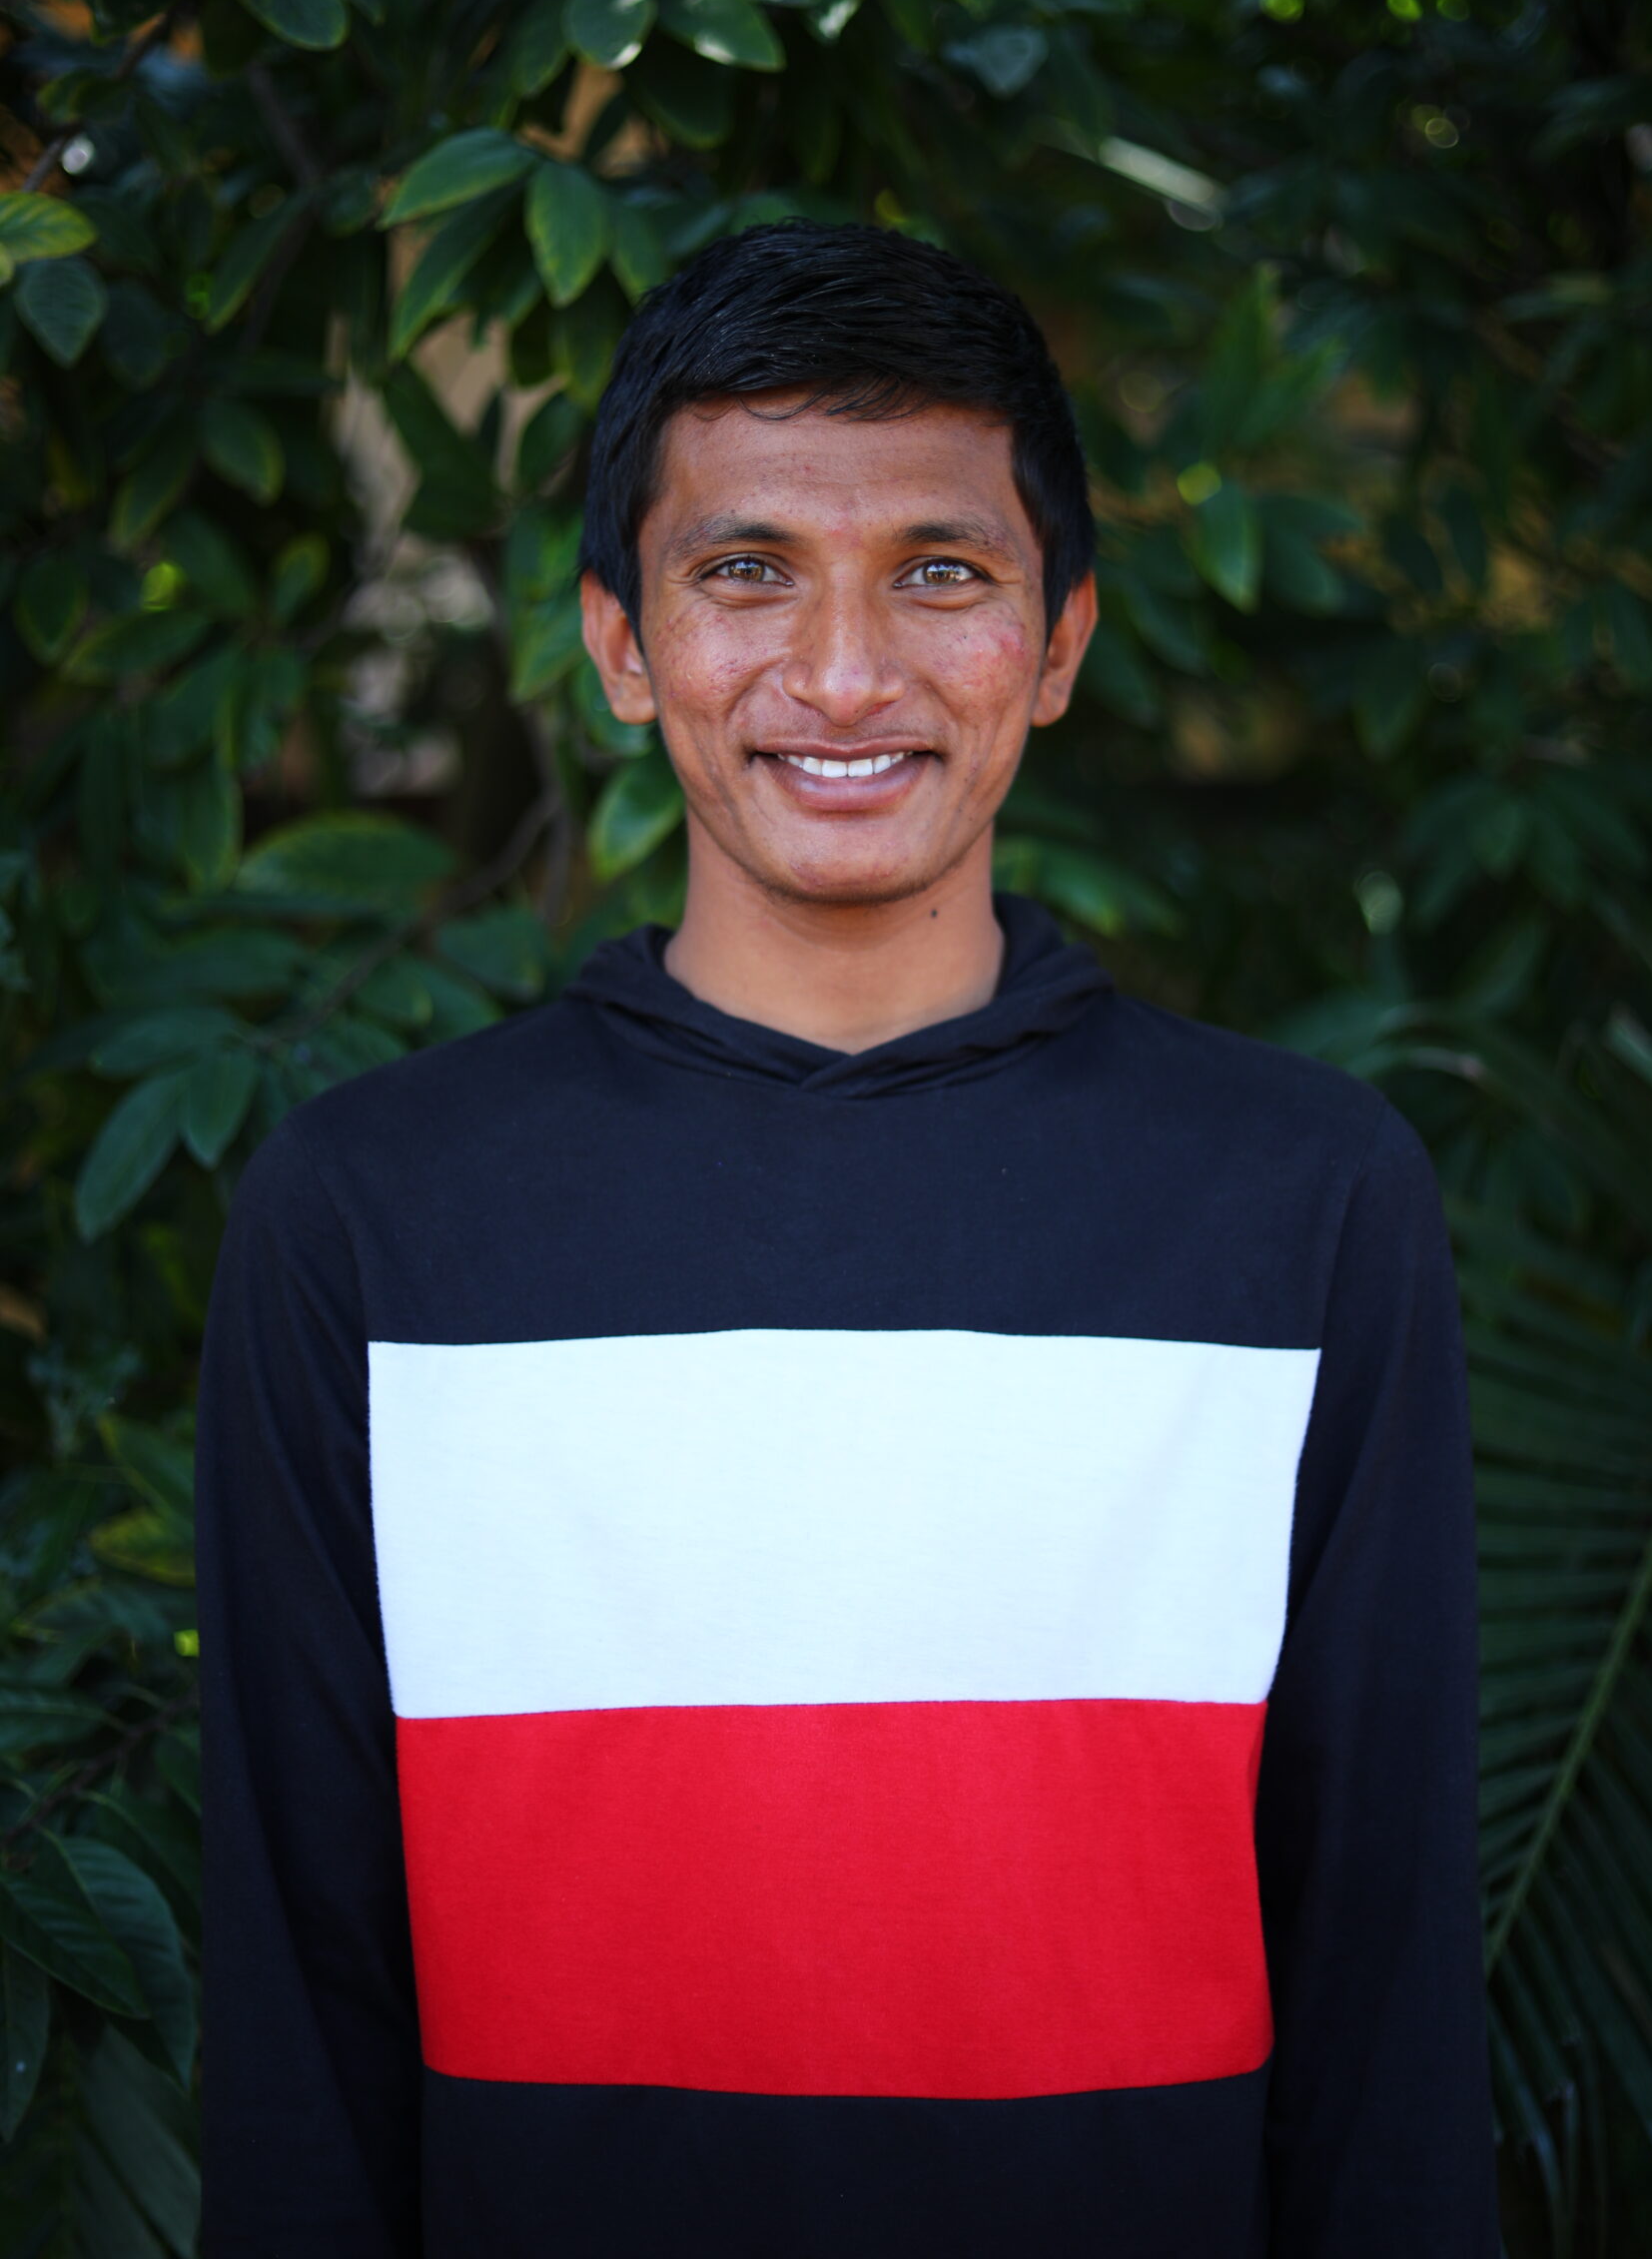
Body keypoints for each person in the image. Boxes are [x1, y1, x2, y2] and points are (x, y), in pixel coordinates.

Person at [196, 219, 1499, 2257]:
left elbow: (1385, 1997)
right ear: (622, 641)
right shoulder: (370, 1222)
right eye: (744, 570)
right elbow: (300, 2018)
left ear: (1057, 637)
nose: (839, 674)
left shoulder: (1304, 1201)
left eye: (938, 571)